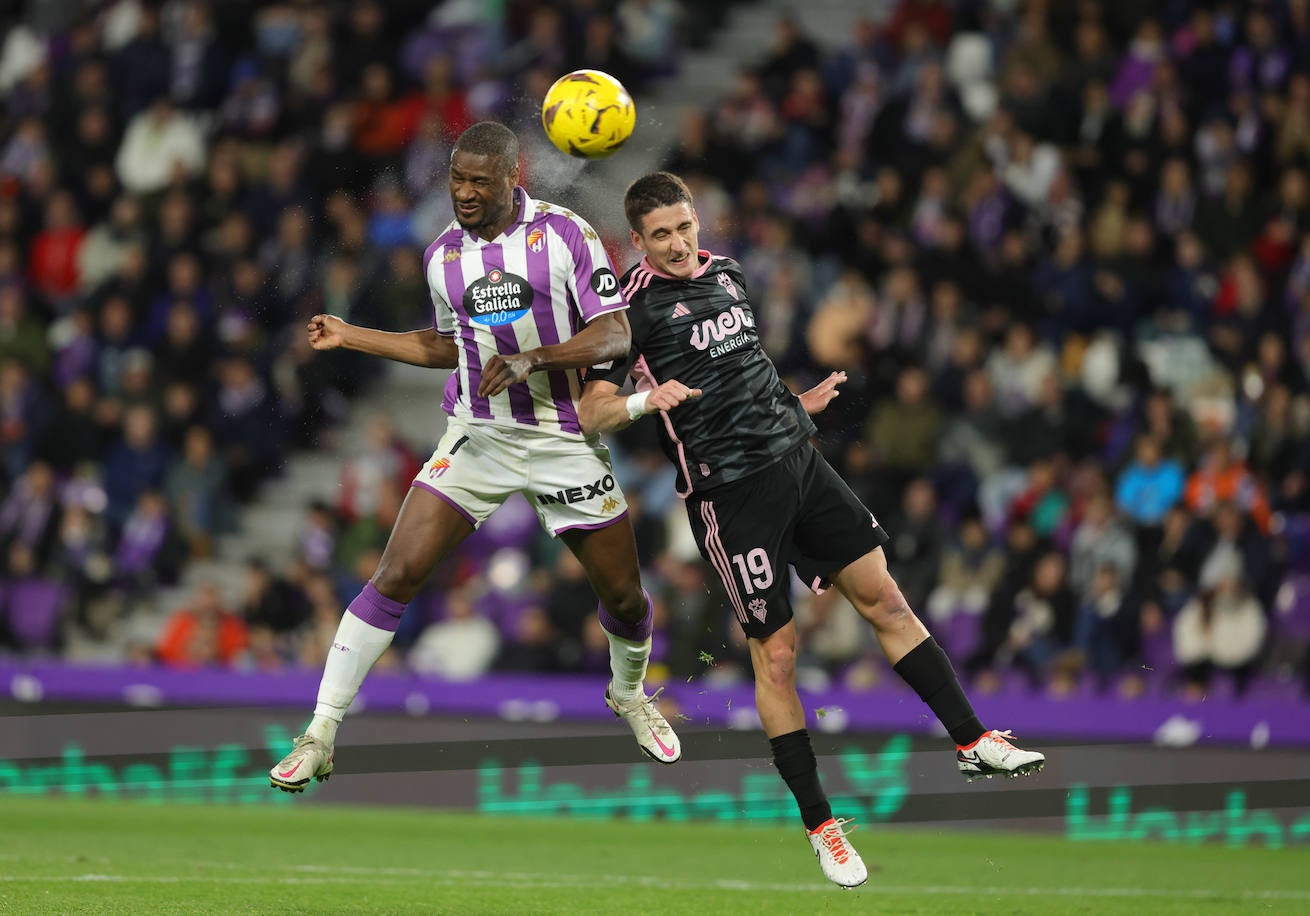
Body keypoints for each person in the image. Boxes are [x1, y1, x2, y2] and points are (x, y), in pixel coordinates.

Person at [579, 172, 1045, 889]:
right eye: (661, 235)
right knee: (779, 658)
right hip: (730, 497)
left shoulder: (729, 273)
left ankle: (973, 740)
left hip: (799, 463)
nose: (678, 244)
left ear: (698, 221)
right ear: (637, 243)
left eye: (684, 226)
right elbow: (594, 413)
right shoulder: (629, 312)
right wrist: (646, 399)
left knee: (886, 600)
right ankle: (823, 827)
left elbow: (746, 376)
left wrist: (798, 405)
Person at [269, 123, 681, 791]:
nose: (464, 192)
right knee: (396, 572)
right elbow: (445, 345)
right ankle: (320, 731)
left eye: (478, 182)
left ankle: (629, 694)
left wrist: (532, 359)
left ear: (511, 179)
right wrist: (352, 337)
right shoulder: (443, 257)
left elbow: (614, 331)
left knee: (626, 601)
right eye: (457, 179)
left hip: (560, 438)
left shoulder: (565, 235)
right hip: (479, 436)